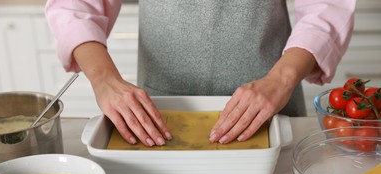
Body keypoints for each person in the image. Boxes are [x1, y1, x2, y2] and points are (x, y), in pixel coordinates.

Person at [45, 0, 356, 147]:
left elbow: (327, 6)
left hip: (270, 104)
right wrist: (104, 80)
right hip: (156, 111)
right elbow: (75, 6)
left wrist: (282, 79)